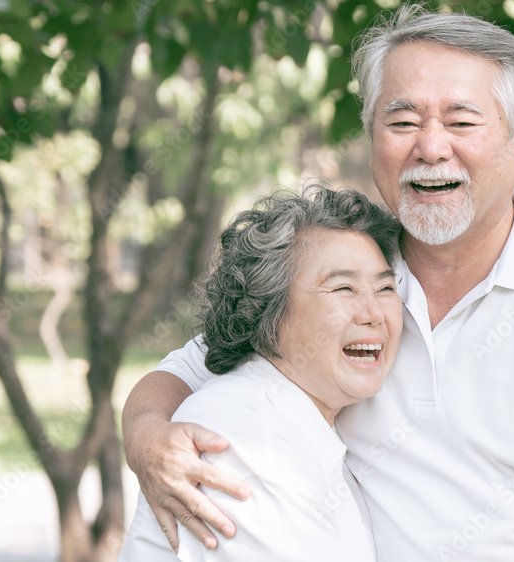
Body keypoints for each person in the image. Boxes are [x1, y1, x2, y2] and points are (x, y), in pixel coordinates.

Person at [122, 5, 514, 560]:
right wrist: (148, 440)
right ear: (371, 138)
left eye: (462, 121)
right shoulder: (346, 275)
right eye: (402, 121)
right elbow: (190, 372)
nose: (431, 148)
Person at [119, 186, 403, 561]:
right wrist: (143, 429)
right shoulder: (241, 443)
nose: (374, 313)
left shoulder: (295, 413)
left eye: (385, 287)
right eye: (343, 288)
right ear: (270, 310)